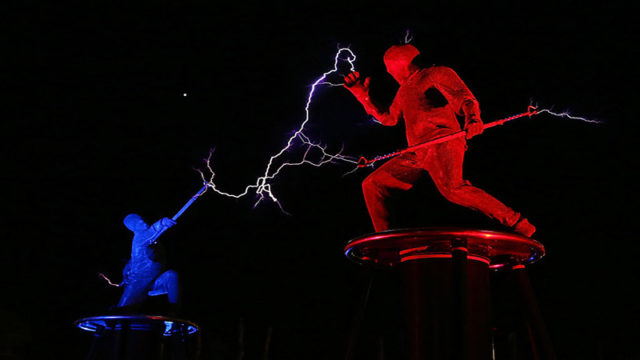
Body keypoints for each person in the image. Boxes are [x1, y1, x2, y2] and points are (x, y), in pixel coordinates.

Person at [344, 44, 535, 237]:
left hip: (442, 141)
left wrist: (473, 118)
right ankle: (385, 238)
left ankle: (516, 222)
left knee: (452, 188)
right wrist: (363, 95)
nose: (389, 73)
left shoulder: (435, 73)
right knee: (373, 184)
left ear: (400, 65)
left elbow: (463, 96)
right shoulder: (403, 91)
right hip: (417, 151)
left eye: (389, 69)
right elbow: (389, 119)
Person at [117, 214, 180, 309]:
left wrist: (127, 269)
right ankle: (114, 318)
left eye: (142, 219)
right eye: (138, 223)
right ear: (133, 228)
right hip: (138, 282)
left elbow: (133, 260)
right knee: (122, 311)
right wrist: (162, 222)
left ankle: (174, 311)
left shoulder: (153, 240)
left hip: (155, 281)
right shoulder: (139, 238)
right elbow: (153, 230)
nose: (143, 222)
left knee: (171, 275)